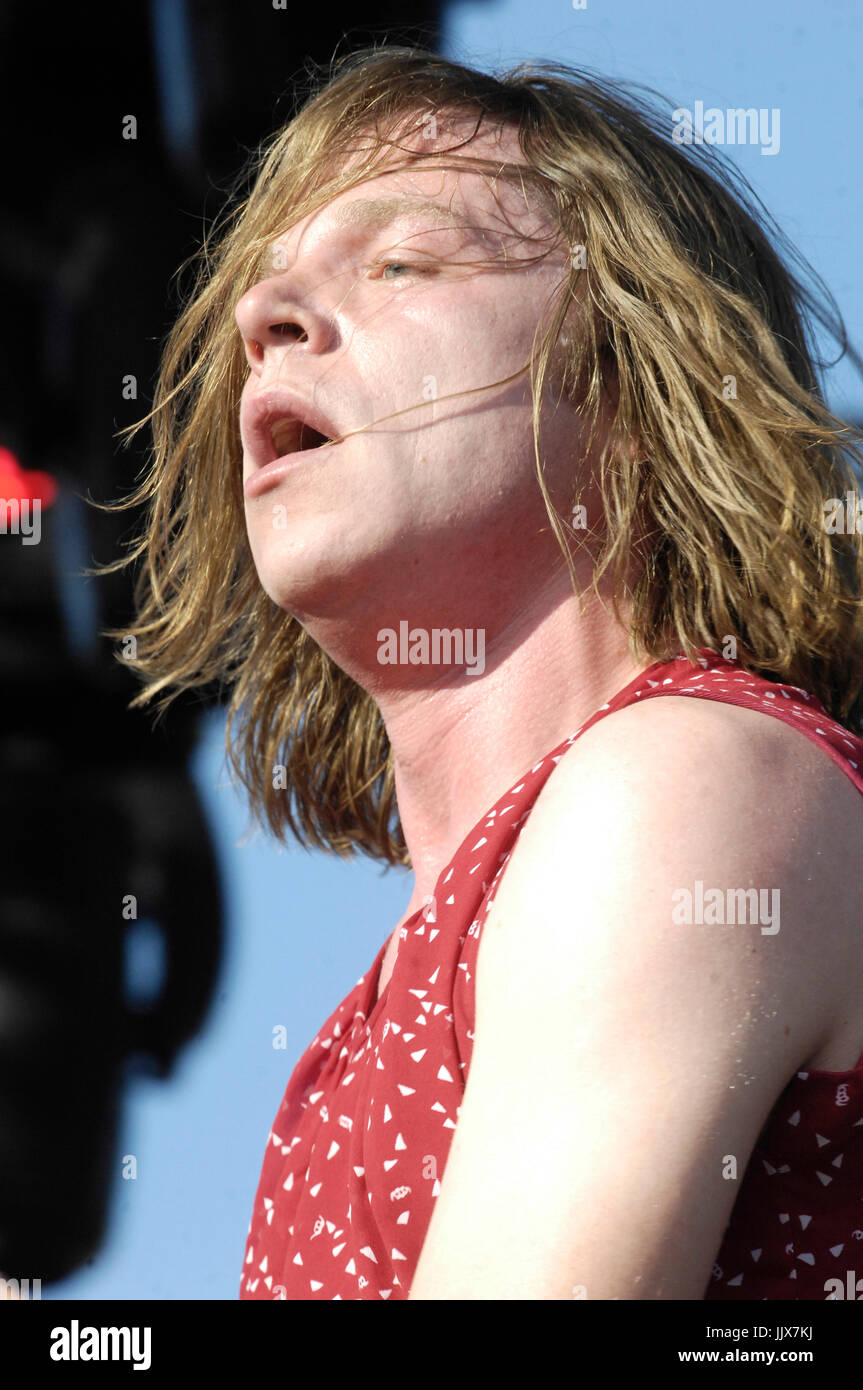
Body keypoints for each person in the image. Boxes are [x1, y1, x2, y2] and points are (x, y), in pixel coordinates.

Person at [103, 46, 863, 1300]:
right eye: (265, 286)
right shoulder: (375, 1010)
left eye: (401, 261)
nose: (264, 315)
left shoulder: (690, 776)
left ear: (627, 373)